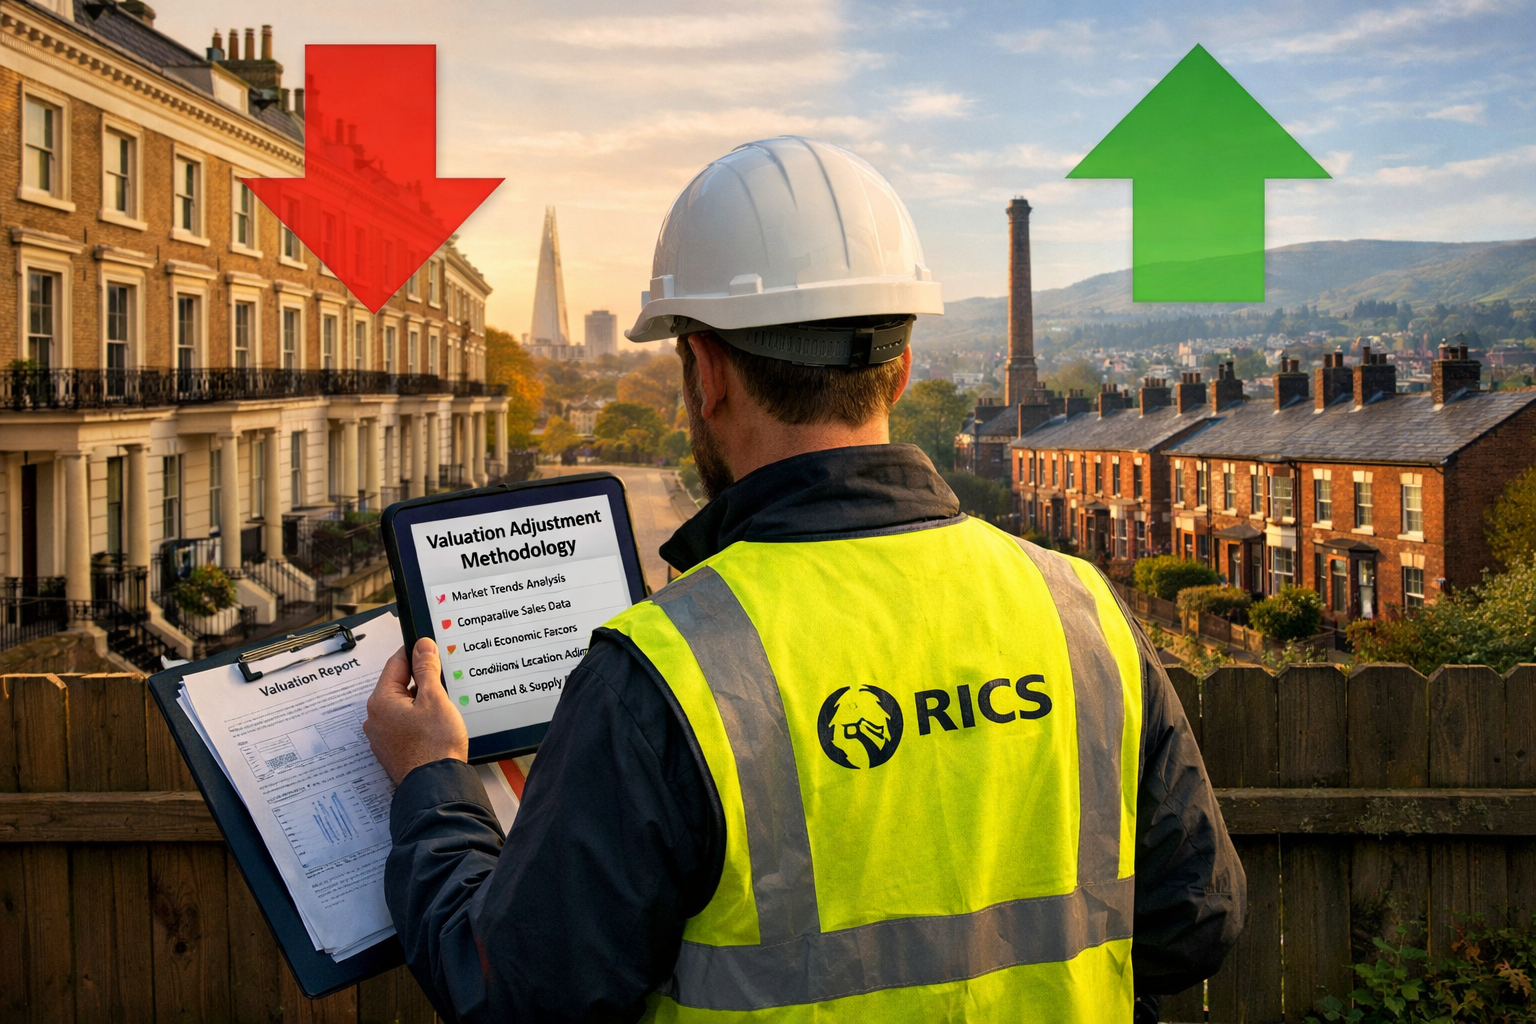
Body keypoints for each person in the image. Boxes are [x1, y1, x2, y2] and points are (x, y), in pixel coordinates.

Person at [364, 136, 1245, 1024]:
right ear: (901, 368)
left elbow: (514, 995)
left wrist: (431, 781)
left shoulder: (663, 672)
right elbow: (1190, 924)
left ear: (706, 373)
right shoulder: (1079, 608)